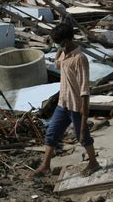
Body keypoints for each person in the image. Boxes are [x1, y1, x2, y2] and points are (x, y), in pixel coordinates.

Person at [33, 23, 100, 177]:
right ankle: (45, 166)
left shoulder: (79, 58)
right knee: (51, 133)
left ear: (67, 41)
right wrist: (59, 50)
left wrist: (84, 122)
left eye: (60, 43)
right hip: (63, 104)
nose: (59, 46)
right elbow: (58, 64)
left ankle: (93, 162)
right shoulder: (64, 54)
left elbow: (85, 91)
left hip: (76, 107)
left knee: (83, 137)